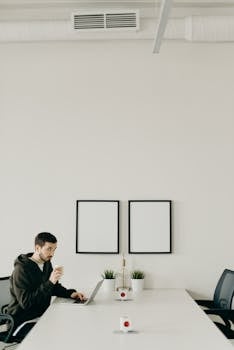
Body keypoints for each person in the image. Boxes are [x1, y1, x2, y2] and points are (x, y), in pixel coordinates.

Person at [7, 232, 85, 339]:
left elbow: (54, 288)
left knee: (72, 324)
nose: (52, 253)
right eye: (49, 249)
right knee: (63, 334)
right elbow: (26, 303)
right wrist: (50, 282)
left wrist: (71, 294)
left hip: (42, 316)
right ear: (37, 248)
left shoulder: (47, 263)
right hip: (22, 321)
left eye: (54, 249)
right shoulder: (21, 270)